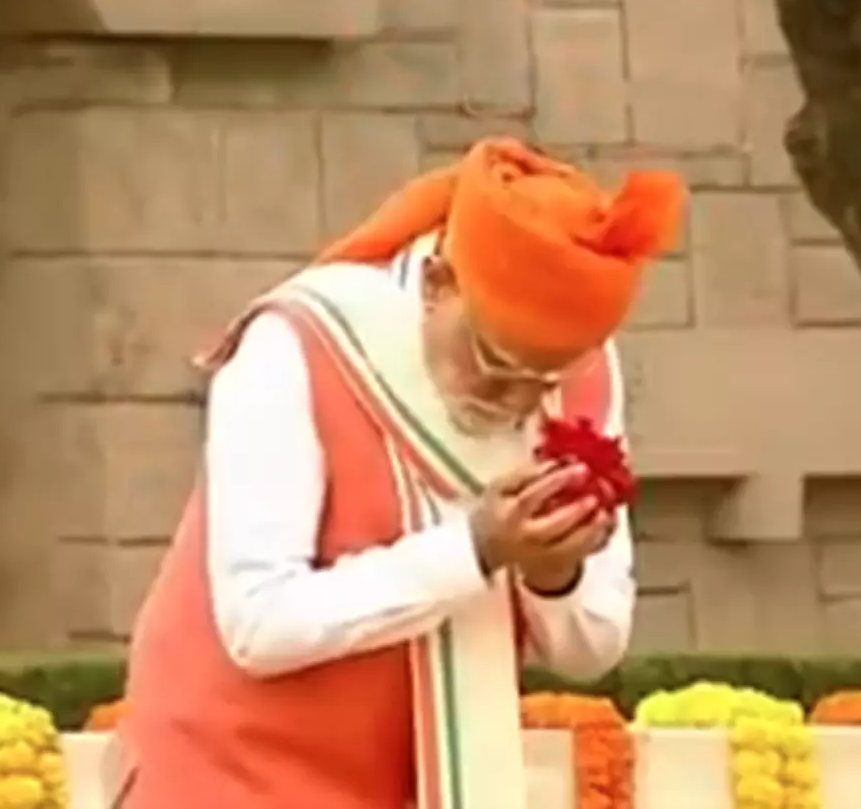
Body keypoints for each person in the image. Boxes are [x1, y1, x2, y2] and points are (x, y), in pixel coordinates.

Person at [120, 138, 684, 809]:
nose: (518, 402)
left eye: (546, 379)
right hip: (232, 771)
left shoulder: (579, 371)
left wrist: (552, 573)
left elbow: (592, 650)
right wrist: (474, 550)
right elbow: (259, 625)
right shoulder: (297, 345)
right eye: (494, 362)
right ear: (438, 285)